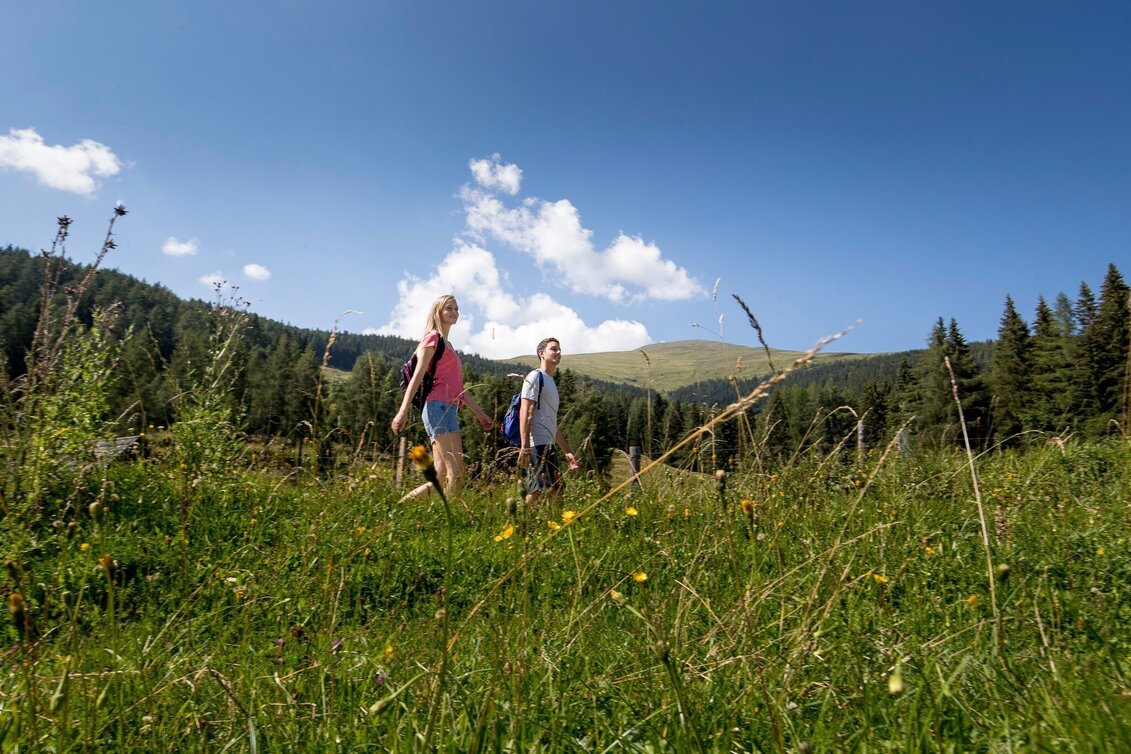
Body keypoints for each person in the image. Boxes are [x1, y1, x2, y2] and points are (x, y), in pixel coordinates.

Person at [391, 294, 493, 499]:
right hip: (436, 408)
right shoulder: (432, 339)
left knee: (441, 473)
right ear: (438, 312)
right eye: (449, 308)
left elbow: (459, 389)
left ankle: (403, 508)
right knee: (456, 471)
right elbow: (418, 376)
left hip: (450, 411)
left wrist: (481, 415)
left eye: (456, 308)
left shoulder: (450, 347)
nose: (454, 312)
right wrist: (402, 412)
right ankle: (448, 518)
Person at [518, 337, 580, 507]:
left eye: (559, 349)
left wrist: (567, 451)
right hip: (536, 444)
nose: (558, 352)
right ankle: (520, 525)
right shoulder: (535, 376)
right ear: (541, 353)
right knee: (537, 490)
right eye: (553, 349)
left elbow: (552, 422)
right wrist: (524, 447)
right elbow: (525, 412)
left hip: (548, 444)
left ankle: (556, 526)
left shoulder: (550, 381)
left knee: (556, 489)